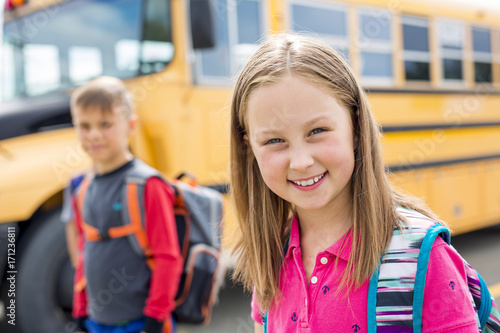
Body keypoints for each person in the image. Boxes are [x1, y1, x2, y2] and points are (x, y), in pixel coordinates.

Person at [229, 33, 492, 332]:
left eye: (317, 131)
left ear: (355, 127)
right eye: (275, 140)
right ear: (249, 146)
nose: (300, 161)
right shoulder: (273, 256)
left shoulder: (420, 260)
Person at [70, 76, 183, 333]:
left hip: (140, 323)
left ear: (131, 125)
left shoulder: (148, 185)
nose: (94, 134)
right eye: (84, 126)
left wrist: (155, 319)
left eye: (106, 124)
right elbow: (84, 251)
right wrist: (80, 310)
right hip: (96, 322)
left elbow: (168, 257)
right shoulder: (82, 188)